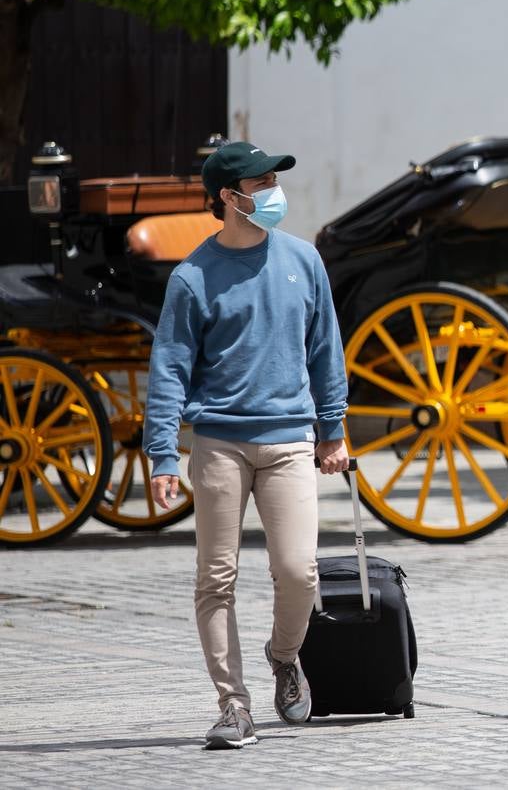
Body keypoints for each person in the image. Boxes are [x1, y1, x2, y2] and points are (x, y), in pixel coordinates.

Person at [143, 140, 350, 749]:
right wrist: (161, 454)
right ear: (228, 199)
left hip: (289, 440)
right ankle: (233, 706)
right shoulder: (192, 278)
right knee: (217, 578)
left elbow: (325, 350)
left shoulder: (304, 260)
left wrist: (332, 429)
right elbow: (170, 371)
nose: (272, 193)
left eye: (272, 182)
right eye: (260, 185)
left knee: (298, 571)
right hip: (219, 447)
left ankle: (284, 656)